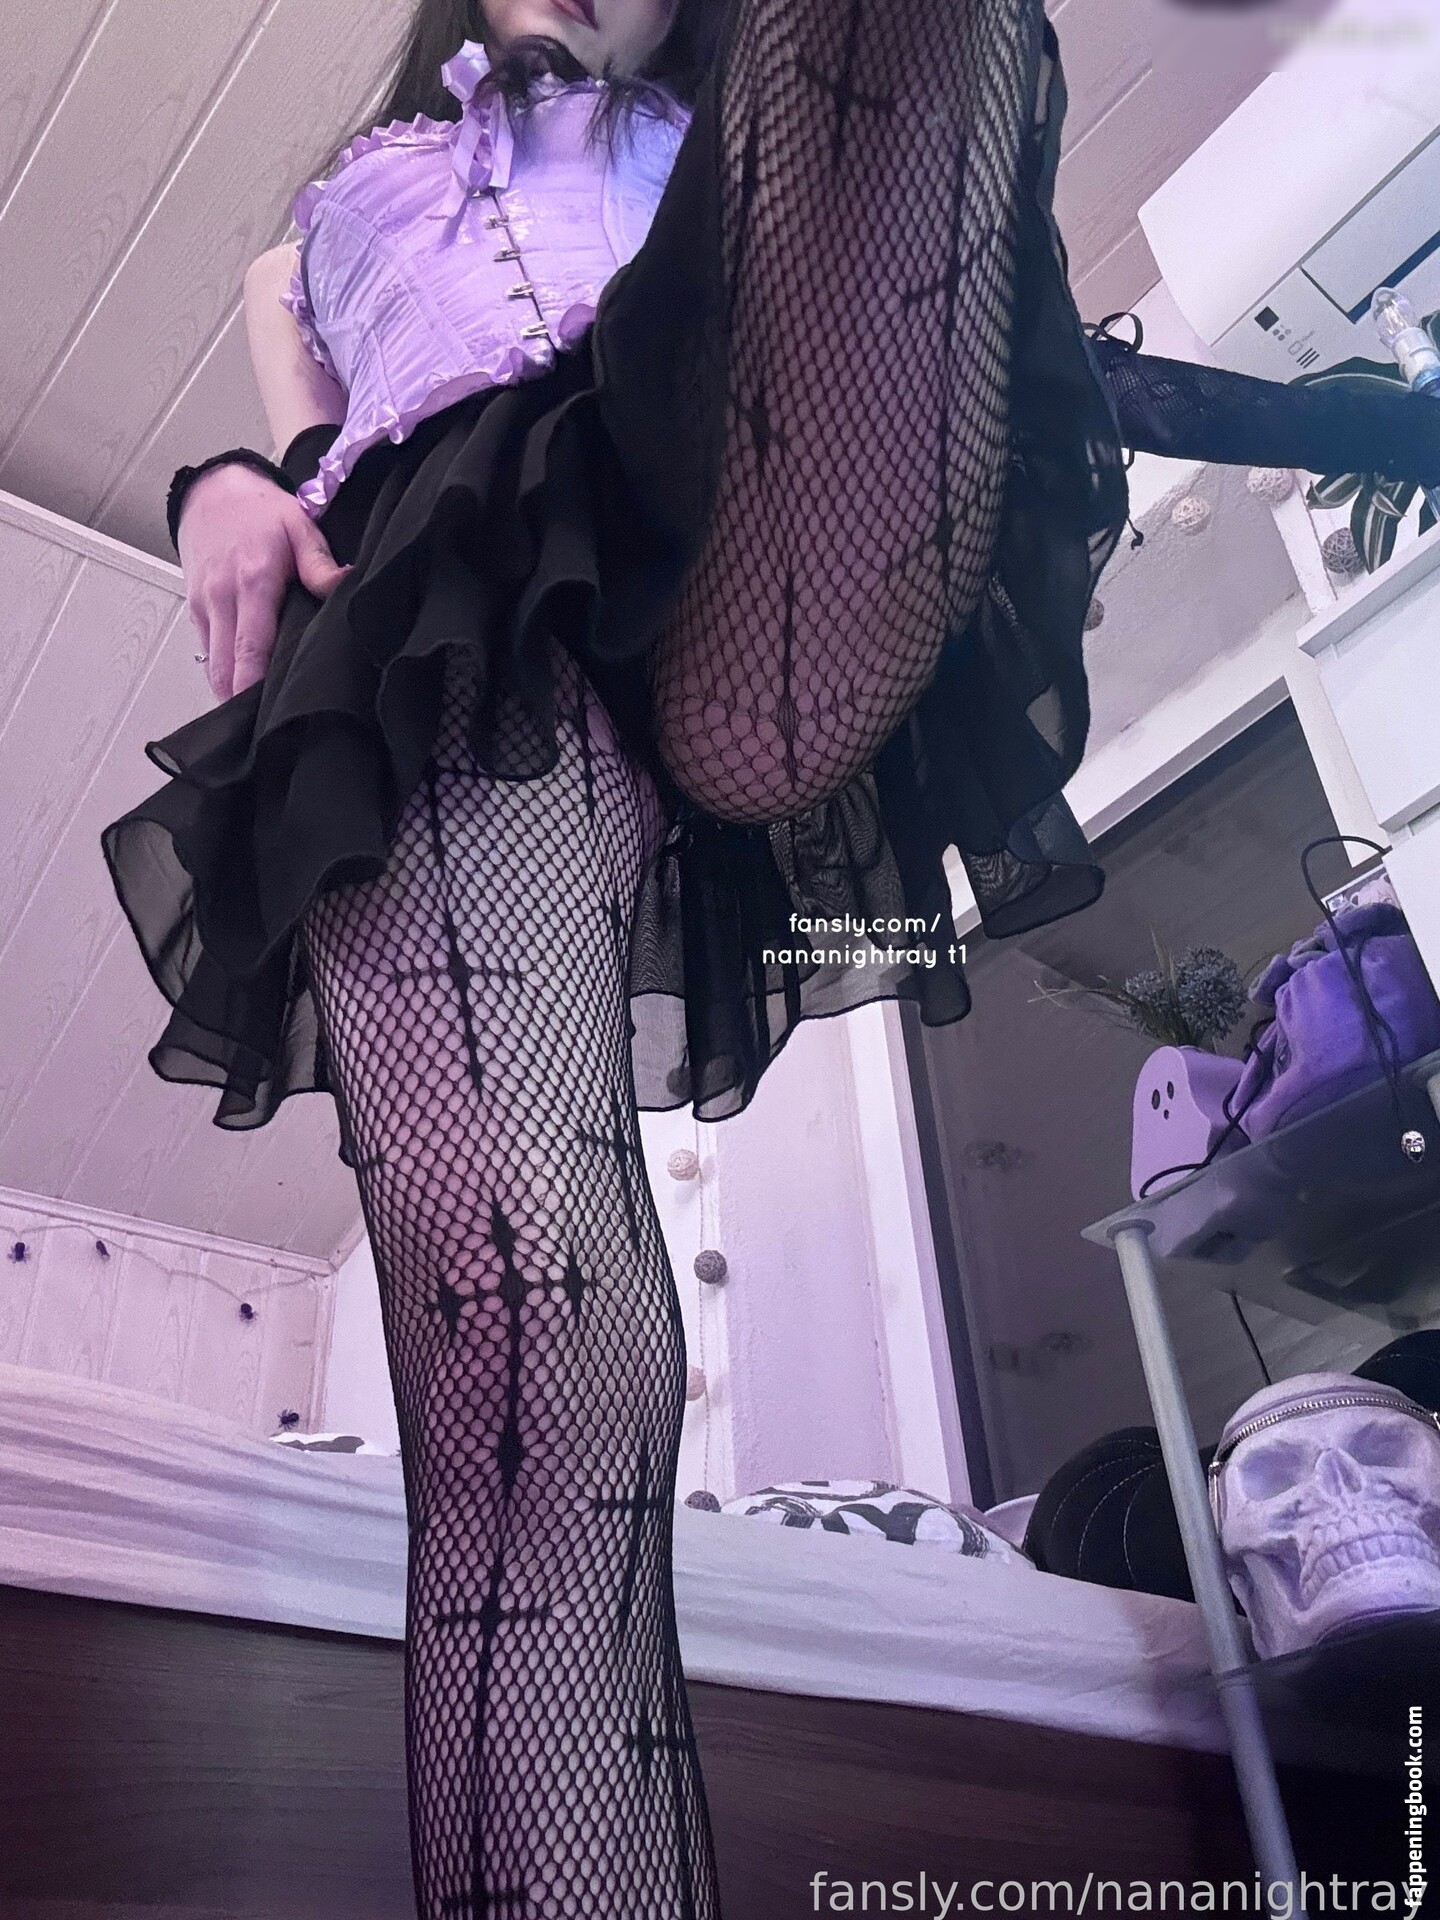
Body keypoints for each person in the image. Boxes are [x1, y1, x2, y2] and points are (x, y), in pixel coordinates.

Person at [100, 0, 1440, 1913]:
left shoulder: (728, 140)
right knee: (542, 1339)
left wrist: (1371, 424)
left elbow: (1001, 352)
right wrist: (213, 483)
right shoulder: (302, 239)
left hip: (746, 544)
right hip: (464, 626)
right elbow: (317, 470)